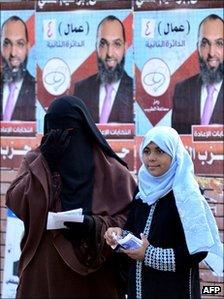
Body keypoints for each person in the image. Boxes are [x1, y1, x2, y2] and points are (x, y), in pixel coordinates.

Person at [6, 95, 137, 298]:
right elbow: (17, 202)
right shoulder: (36, 159)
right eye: (53, 130)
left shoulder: (112, 170)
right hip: (44, 271)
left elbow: (131, 220)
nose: (60, 137)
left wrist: (93, 225)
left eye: (68, 131)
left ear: (83, 129)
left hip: (94, 274)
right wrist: (45, 162)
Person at [105, 126, 223, 299]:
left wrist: (149, 254)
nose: (151, 158)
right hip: (139, 290)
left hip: (175, 291)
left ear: (174, 154)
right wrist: (119, 235)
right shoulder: (143, 191)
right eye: (147, 151)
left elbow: (198, 251)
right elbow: (134, 231)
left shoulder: (186, 194)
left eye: (159, 151)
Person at [74, 15, 133, 123]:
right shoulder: (81, 89)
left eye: (117, 44)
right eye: (103, 44)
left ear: (125, 48)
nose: (109, 53)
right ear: (96, 47)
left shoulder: (135, 91)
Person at [172, 14, 223, 134]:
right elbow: (177, 143)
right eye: (205, 44)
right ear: (197, 47)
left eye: (219, 43)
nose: (211, 53)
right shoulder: (182, 90)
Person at [0, 15, 35, 121]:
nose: (13, 53)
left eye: (20, 44)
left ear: (28, 48)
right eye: (7, 44)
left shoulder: (36, 90)